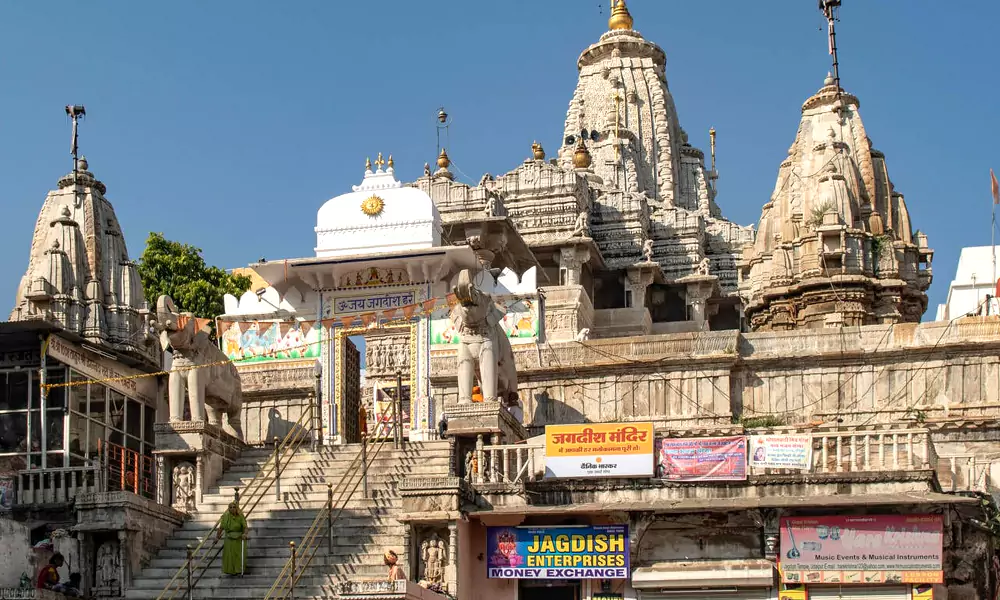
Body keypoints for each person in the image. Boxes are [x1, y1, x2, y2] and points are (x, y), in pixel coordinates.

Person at [216, 502, 248, 576]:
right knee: (229, 556)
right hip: (229, 538)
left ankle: (239, 570)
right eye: (230, 507)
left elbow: (245, 527)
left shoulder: (240, 516)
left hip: (239, 539)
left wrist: (245, 534)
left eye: (234, 507)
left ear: (236, 508)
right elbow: (221, 528)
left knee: (238, 556)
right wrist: (217, 537)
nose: (232, 509)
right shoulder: (226, 517)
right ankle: (230, 571)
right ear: (228, 509)